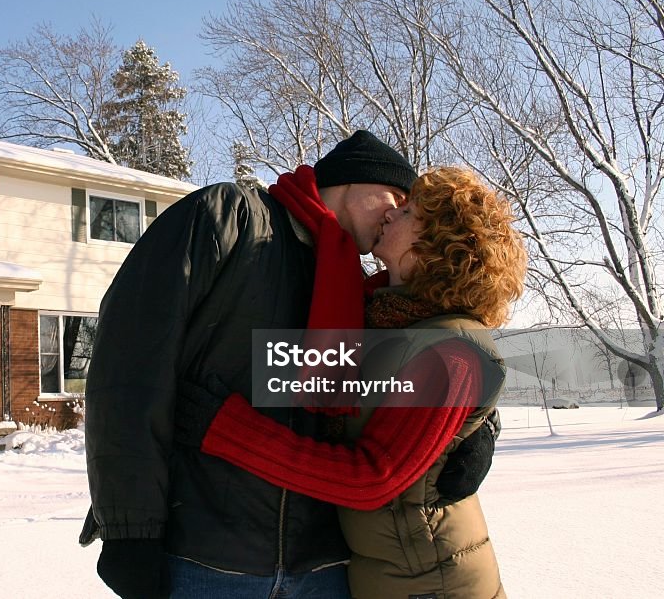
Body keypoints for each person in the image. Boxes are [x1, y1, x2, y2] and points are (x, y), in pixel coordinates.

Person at [80, 130, 499, 599]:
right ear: (358, 177)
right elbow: (130, 366)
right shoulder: (231, 220)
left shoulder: (361, 294)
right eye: (397, 197)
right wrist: (129, 527)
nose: (395, 213)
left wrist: (478, 425)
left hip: (326, 566)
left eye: (408, 209)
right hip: (211, 559)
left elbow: (423, 370)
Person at [178, 166, 527, 598]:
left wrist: (226, 429)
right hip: (381, 575)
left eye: (408, 211)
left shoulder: (451, 351)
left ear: (433, 243)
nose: (390, 214)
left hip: (433, 582)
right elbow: (294, 373)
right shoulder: (384, 322)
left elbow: (371, 478)